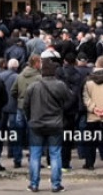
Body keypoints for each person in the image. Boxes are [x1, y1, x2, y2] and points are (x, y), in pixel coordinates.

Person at [24, 59, 71, 193]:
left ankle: (34, 184)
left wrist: (30, 118)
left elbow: (26, 106)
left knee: (35, 155)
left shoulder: (33, 86)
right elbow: (70, 99)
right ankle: (56, 185)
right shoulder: (60, 85)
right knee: (55, 154)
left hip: (36, 124)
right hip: (55, 124)